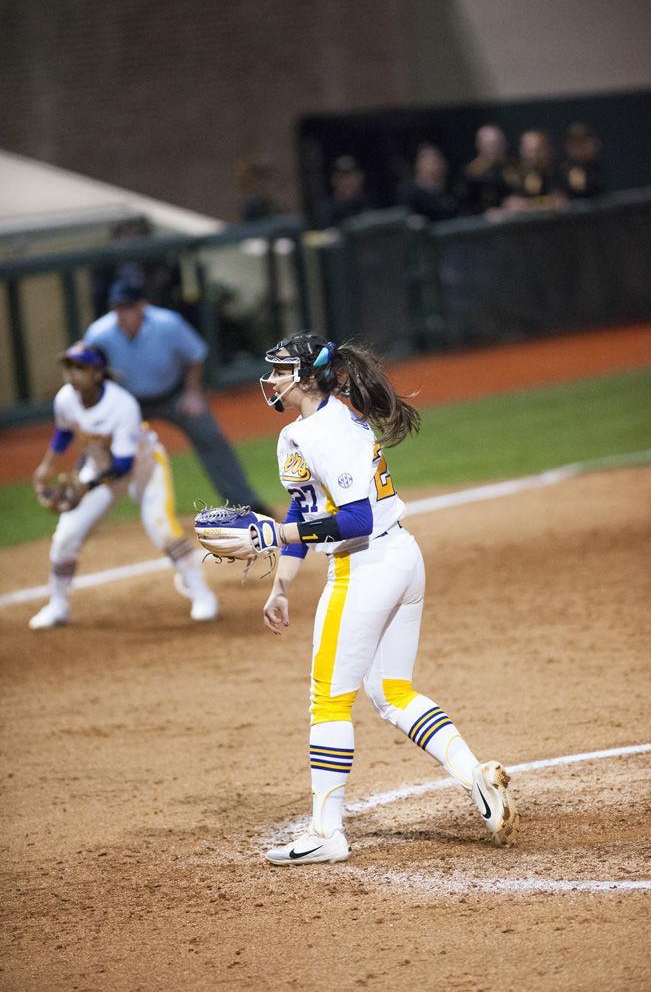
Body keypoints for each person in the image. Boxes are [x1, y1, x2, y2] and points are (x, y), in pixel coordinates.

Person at [251, 332, 519, 864]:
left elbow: (354, 519)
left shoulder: (324, 432)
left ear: (306, 378)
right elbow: (304, 509)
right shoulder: (310, 428)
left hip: (364, 569)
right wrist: (282, 582)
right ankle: (477, 778)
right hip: (402, 560)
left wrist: (278, 538)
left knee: (328, 700)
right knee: (391, 691)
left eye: (281, 370)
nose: (272, 379)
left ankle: (327, 833)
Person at [29, 342, 218, 629]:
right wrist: (47, 465)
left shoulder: (122, 405)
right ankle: (58, 604)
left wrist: (86, 485)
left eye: (80, 367)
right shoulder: (66, 398)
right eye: (69, 366)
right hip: (100, 469)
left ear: (97, 373)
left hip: (145, 467)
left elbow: (123, 465)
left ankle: (202, 594)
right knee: (67, 534)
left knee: (161, 528)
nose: (72, 373)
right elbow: (64, 431)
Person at [84, 279, 271, 514]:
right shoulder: (99, 333)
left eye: (127, 308)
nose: (122, 314)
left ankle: (246, 502)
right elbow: (88, 370)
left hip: (172, 394)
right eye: (117, 308)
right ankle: (78, 506)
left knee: (210, 436)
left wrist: (192, 393)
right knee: (92, 438)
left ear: (142, 306)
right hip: (127, 402)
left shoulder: (168, 324)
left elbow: (195, 356)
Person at [456, 124, 520, 216]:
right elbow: (464, 207)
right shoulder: (470, 174)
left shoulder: (515, 167)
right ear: (479, 146)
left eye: (499, 143)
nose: (495, 149)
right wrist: (485, 211)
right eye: (490, 145)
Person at [502, 130, 567, 213]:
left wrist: (527, 204)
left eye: (538, 149)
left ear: (547, 149)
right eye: (528, 150)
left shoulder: (560, 172)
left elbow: (559, 201)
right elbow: (511, 203)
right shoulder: (513, 174)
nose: (533, 155)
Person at [397, 143, 458, 222]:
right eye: (430, 160)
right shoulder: (409, 193)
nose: (435, 164)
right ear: (419, 163)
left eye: (437, 159)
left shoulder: (452, 189)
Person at [318, 156, 371, 229]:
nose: (346, 181)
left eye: (349, 175)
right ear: (334, 180)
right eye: (341, 176)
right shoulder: (327, 210)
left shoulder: (368, 202)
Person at [559, 122, 604, 200]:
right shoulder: (564, 169)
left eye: (582, 143)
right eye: (574, 145)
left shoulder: (603, 166)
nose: (579, 150)